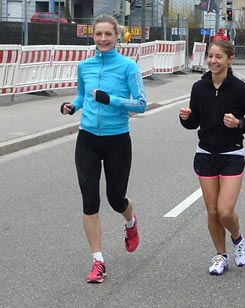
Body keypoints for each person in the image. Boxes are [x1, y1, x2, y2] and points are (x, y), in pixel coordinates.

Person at [60, 14, 146, 282]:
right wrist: (72, 106)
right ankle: (98, 262)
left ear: (116, 36)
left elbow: (141, 103)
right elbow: (81, 95)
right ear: (93, 36)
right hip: (87, 138)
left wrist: (112, 99)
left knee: (115, 198)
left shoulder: (127, 67)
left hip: (117, 139)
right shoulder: (84, 66)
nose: (103, 39)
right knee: (90, 202)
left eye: (108, 34)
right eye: (99, 34)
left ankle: (130, 224)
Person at [179, 40, 245, 275]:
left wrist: (239, 124)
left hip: (231, 154)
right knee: (212, 211)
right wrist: (186, 117)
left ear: (229, 59)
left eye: (218, 57)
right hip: (205, 154)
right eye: (210, 56)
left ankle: (237, 239)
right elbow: (194, 122)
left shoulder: (240, 89)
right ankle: (220, 256)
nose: (213, 61)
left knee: (225, 210)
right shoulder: (199, 87)